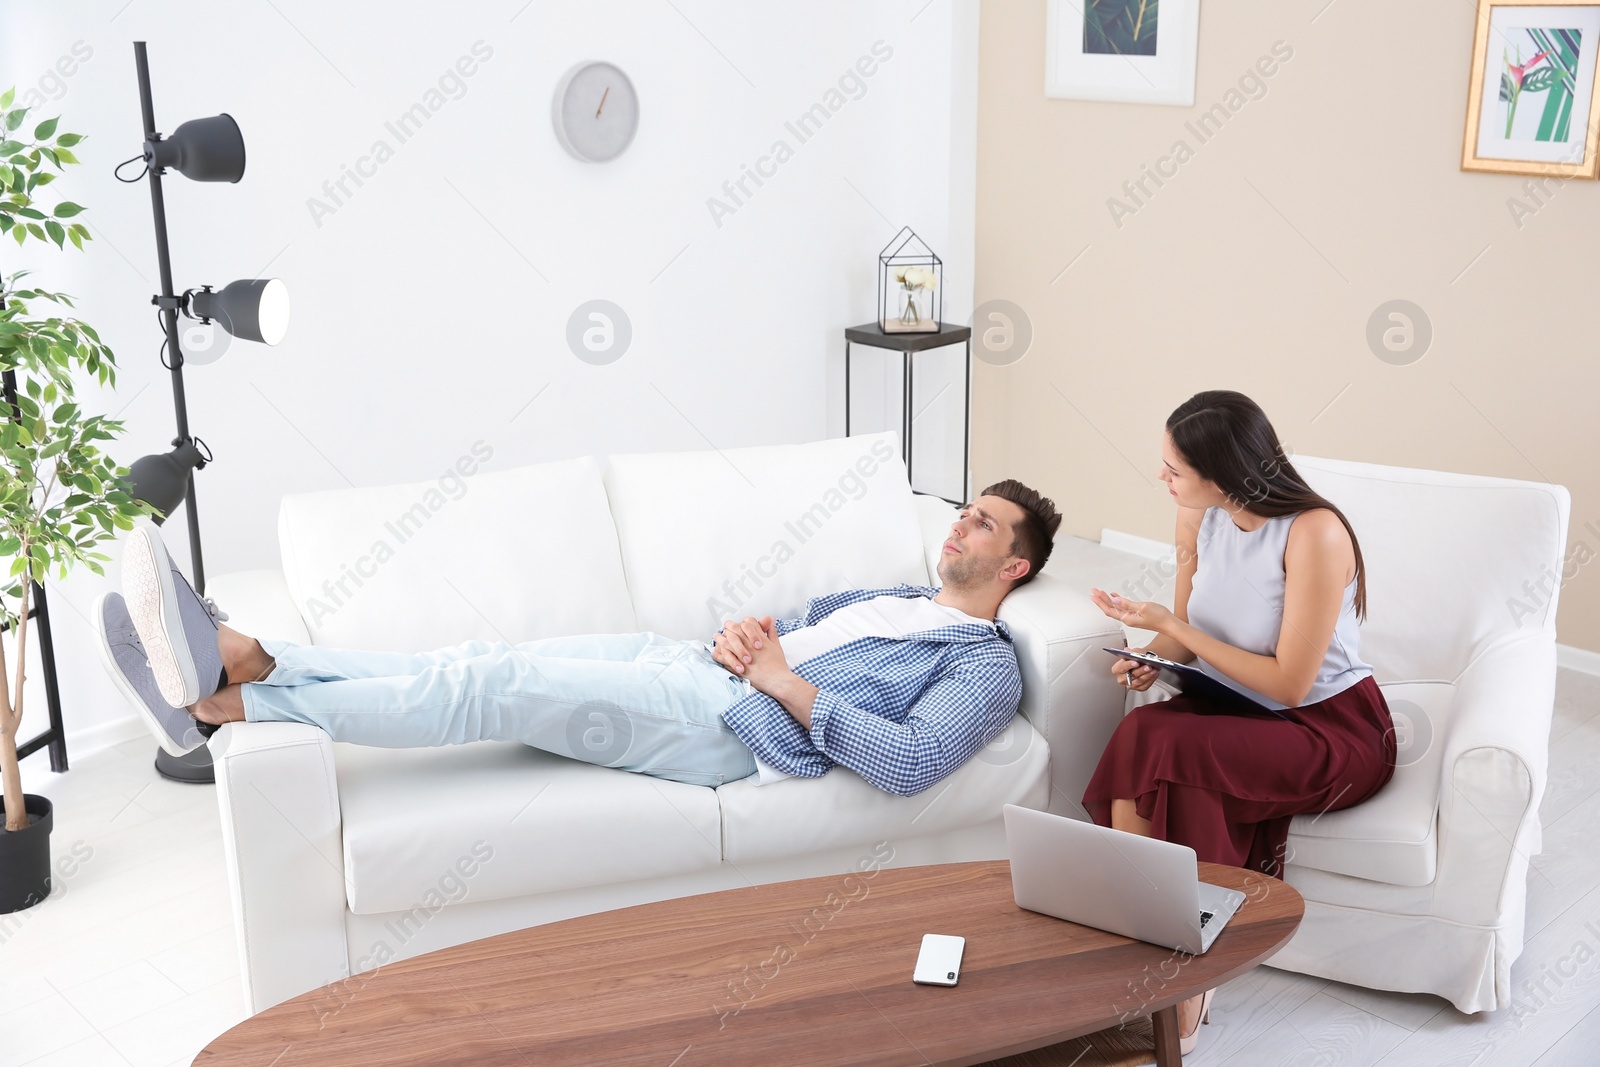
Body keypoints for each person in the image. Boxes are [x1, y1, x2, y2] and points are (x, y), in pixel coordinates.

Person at [98, 480, 1062, 798]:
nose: (958, 525)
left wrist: (775, 680)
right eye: (964, 510)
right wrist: (753, 636)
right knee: (477, 664)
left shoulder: (982, 664)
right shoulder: (891, 593)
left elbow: (912, 760)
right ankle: (249, 663)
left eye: (983, 524)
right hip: (689, 663)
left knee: (489, 696)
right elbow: (796, 628)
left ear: (1016, 567)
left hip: (732, 728)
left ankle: (232, 692)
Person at [1082, 390, 1396, 1055]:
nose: (1161, 479)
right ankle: (1142, 937)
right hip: (1235, 705)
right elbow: (1190, 642)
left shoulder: (1315, 531)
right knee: (1148, 729)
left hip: (1328, 728)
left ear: (1221, 471)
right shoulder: (1201, 517)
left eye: (1173, 469)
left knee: (1172, 746)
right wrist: (1149, 657)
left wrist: (1169, 625)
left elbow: (1290, 680)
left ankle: (1188, 976)